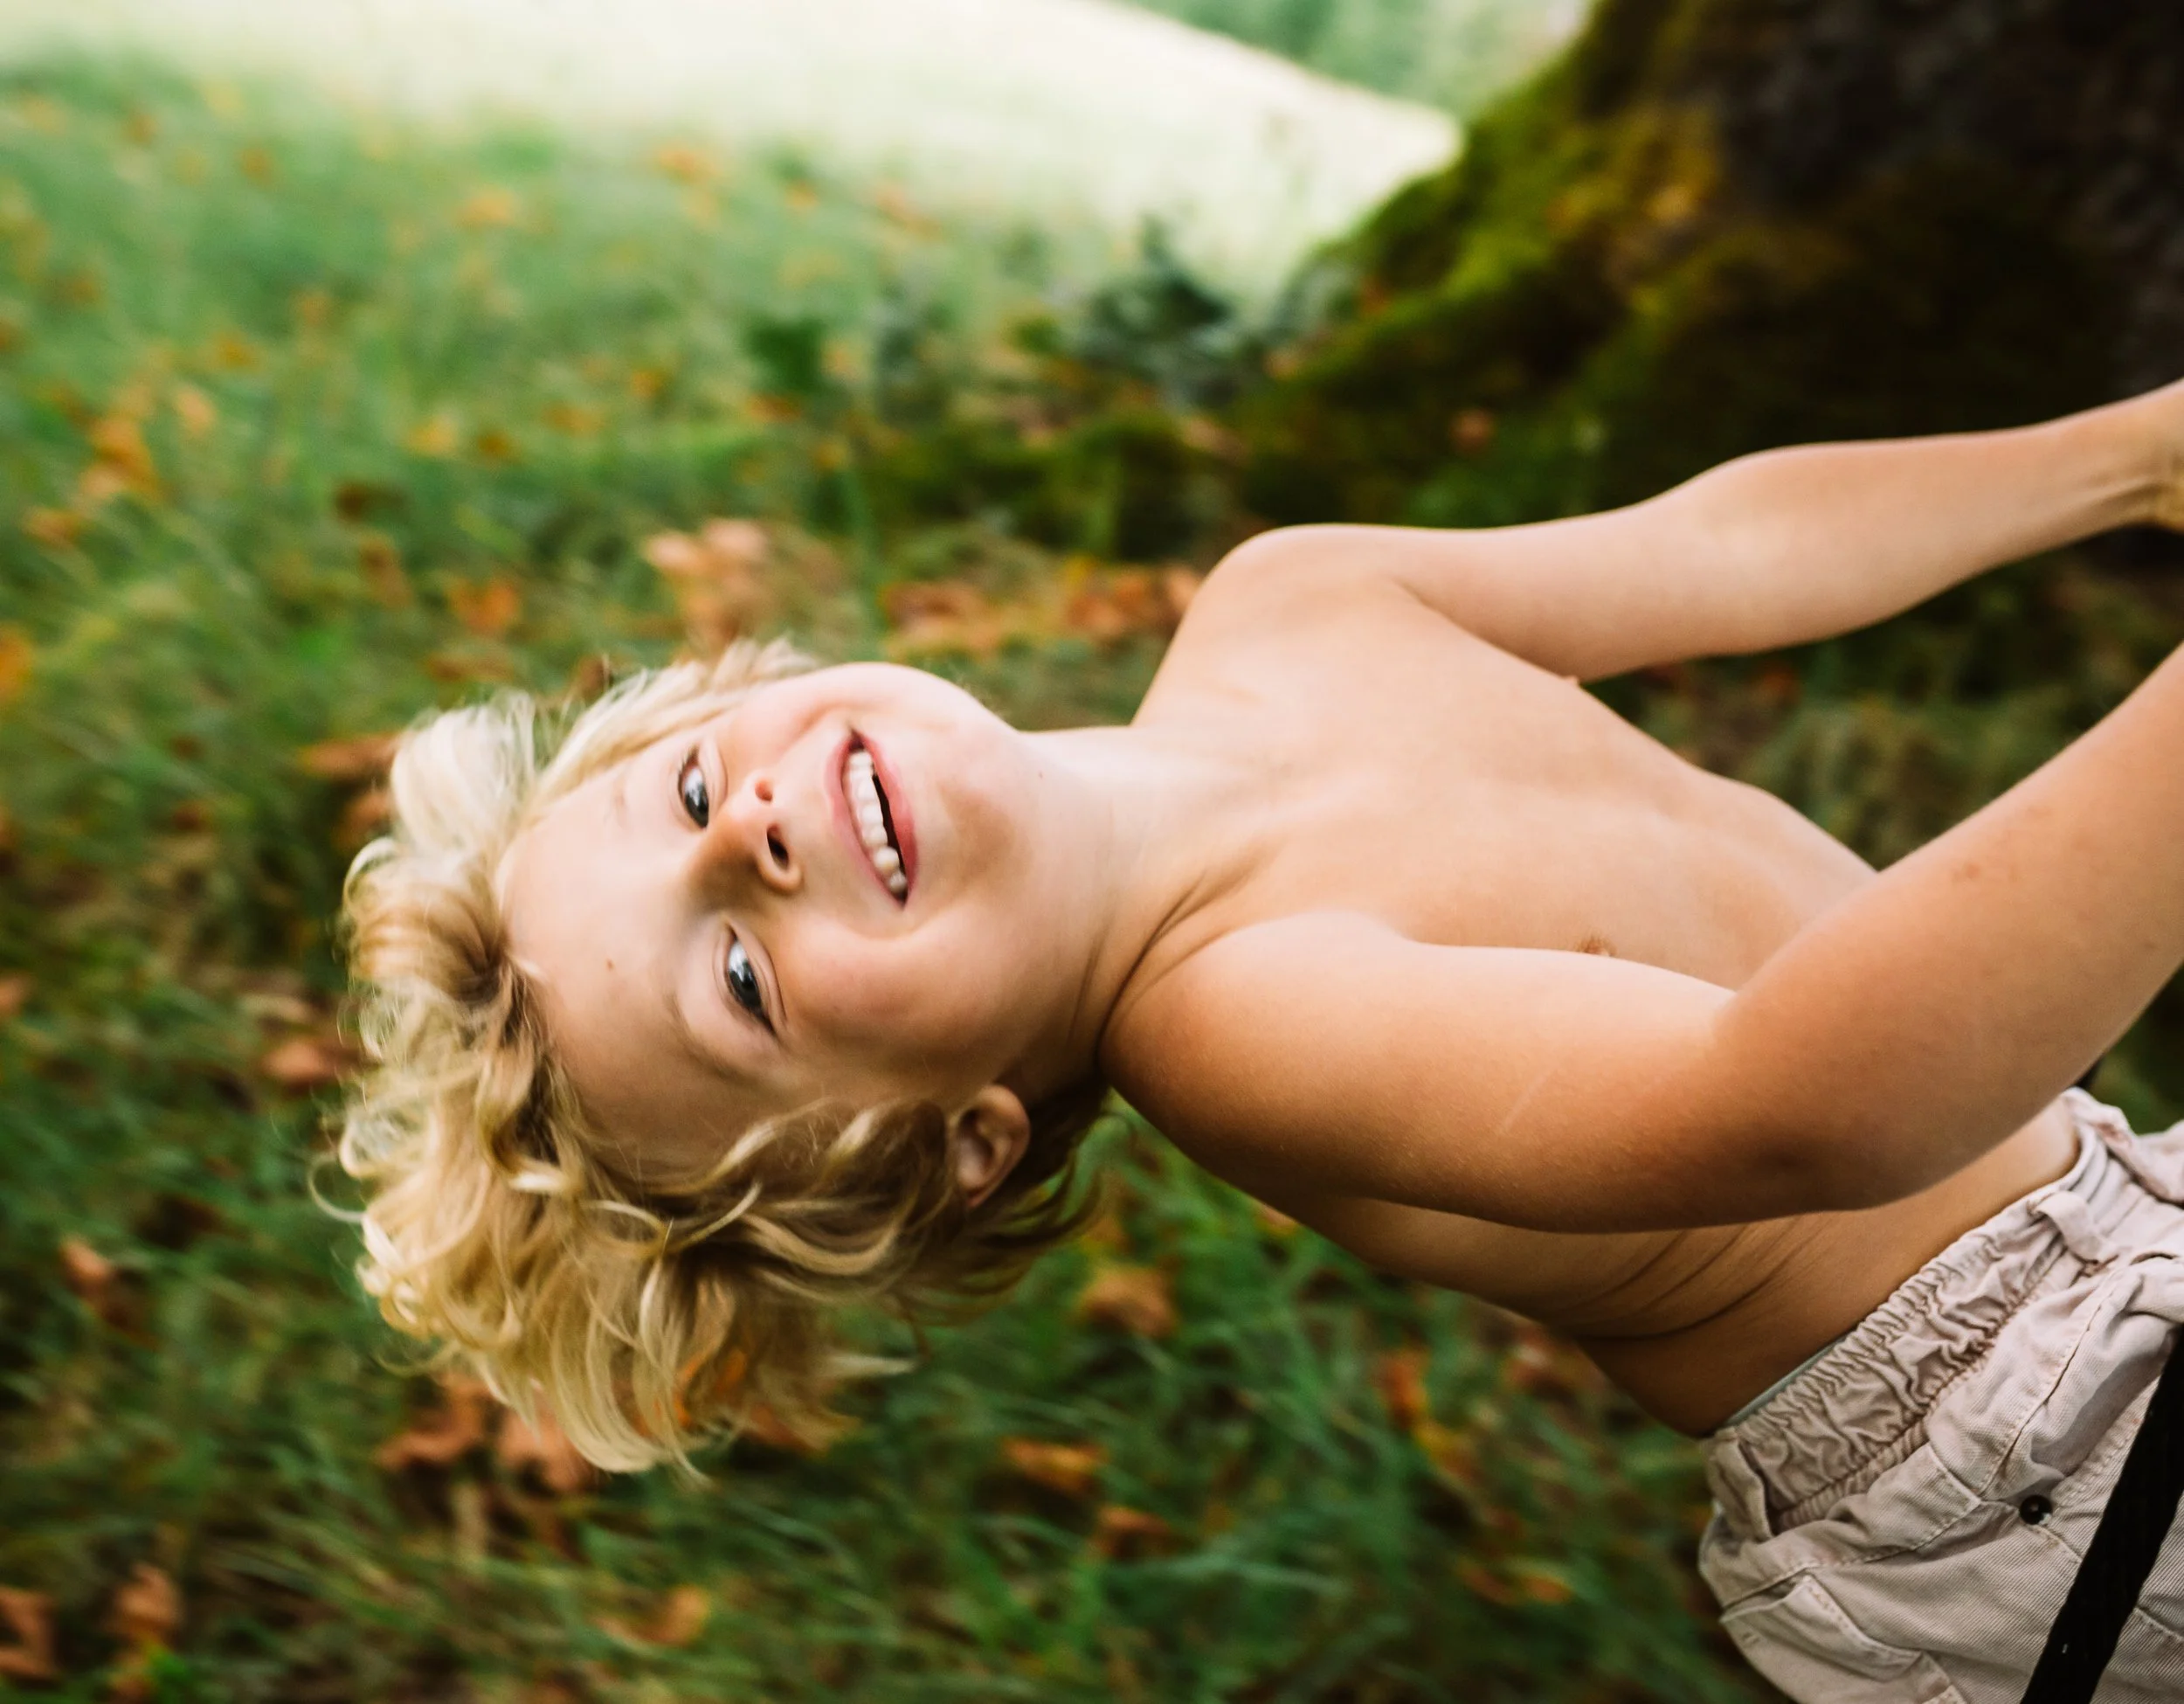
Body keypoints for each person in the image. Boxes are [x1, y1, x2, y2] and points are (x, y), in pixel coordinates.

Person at [340, 381, 2184, 1701]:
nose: (741, 843)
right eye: (738, 983)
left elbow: (1714, 544)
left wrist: (2120, 459)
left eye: (679, 796)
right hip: (2017, 1456)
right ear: (953, 1137)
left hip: (2096, 1222)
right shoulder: (1233, 1019)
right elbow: (1807, 1100)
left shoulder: (1287, 600)